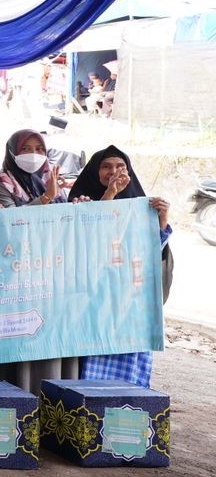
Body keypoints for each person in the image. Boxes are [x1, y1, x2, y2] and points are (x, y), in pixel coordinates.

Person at [69, 145, 172, 386]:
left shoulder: (141, 206)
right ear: (94, 171)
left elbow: (150, 252)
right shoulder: (80, 201)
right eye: (106, 167)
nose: (113, 172)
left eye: (120, 166)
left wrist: (162, 220)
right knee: (91, 366)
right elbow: (83, 243)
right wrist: (108, 197)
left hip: (130, 302)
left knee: (129, 370)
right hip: (93, 300)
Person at [0, 129, 70, 392]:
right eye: (26, 149)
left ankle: (50, 398)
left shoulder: (51, 181)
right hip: (16, 275)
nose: (34, 154)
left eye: (39, 149)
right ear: (12, 152)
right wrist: (46, 198)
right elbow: (11, 225)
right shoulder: (0, 184)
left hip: (50, 272)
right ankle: (15, 395)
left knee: (48, 335)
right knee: (21, 336)